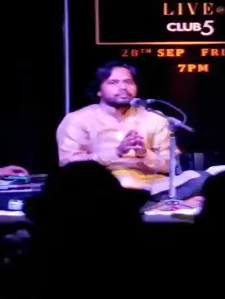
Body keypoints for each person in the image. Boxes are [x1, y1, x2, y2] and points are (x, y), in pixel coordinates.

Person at [54, 61, 204, 198]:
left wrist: (145, 154)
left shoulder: (155, 118)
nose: (123, 87)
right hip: (106, 187)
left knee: (202, 178)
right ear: (98, 90)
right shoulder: (77, 119)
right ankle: (163, 202)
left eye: (128, 82)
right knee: (119, 184)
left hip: (155, 185)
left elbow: (170, 165)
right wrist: (117, 152)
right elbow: (68, 163)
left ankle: (158, 201)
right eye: (113, 82)